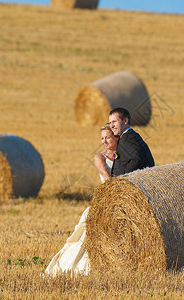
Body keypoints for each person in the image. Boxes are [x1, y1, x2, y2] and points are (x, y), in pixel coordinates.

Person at [44, 124, 119, 276]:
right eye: (102, 138)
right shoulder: (100, 157)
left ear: (116, 137)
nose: (104, 141)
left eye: (108, 137)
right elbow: (106, 176)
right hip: (107, 197)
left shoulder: (124, 155)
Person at [108, 107, 155, 176]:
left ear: (125, 121)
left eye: (114, 121)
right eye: (110, 123)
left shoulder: (128, 138)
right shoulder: (131, 135)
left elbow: (137, 160)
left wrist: (122, 177)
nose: (112, 126)